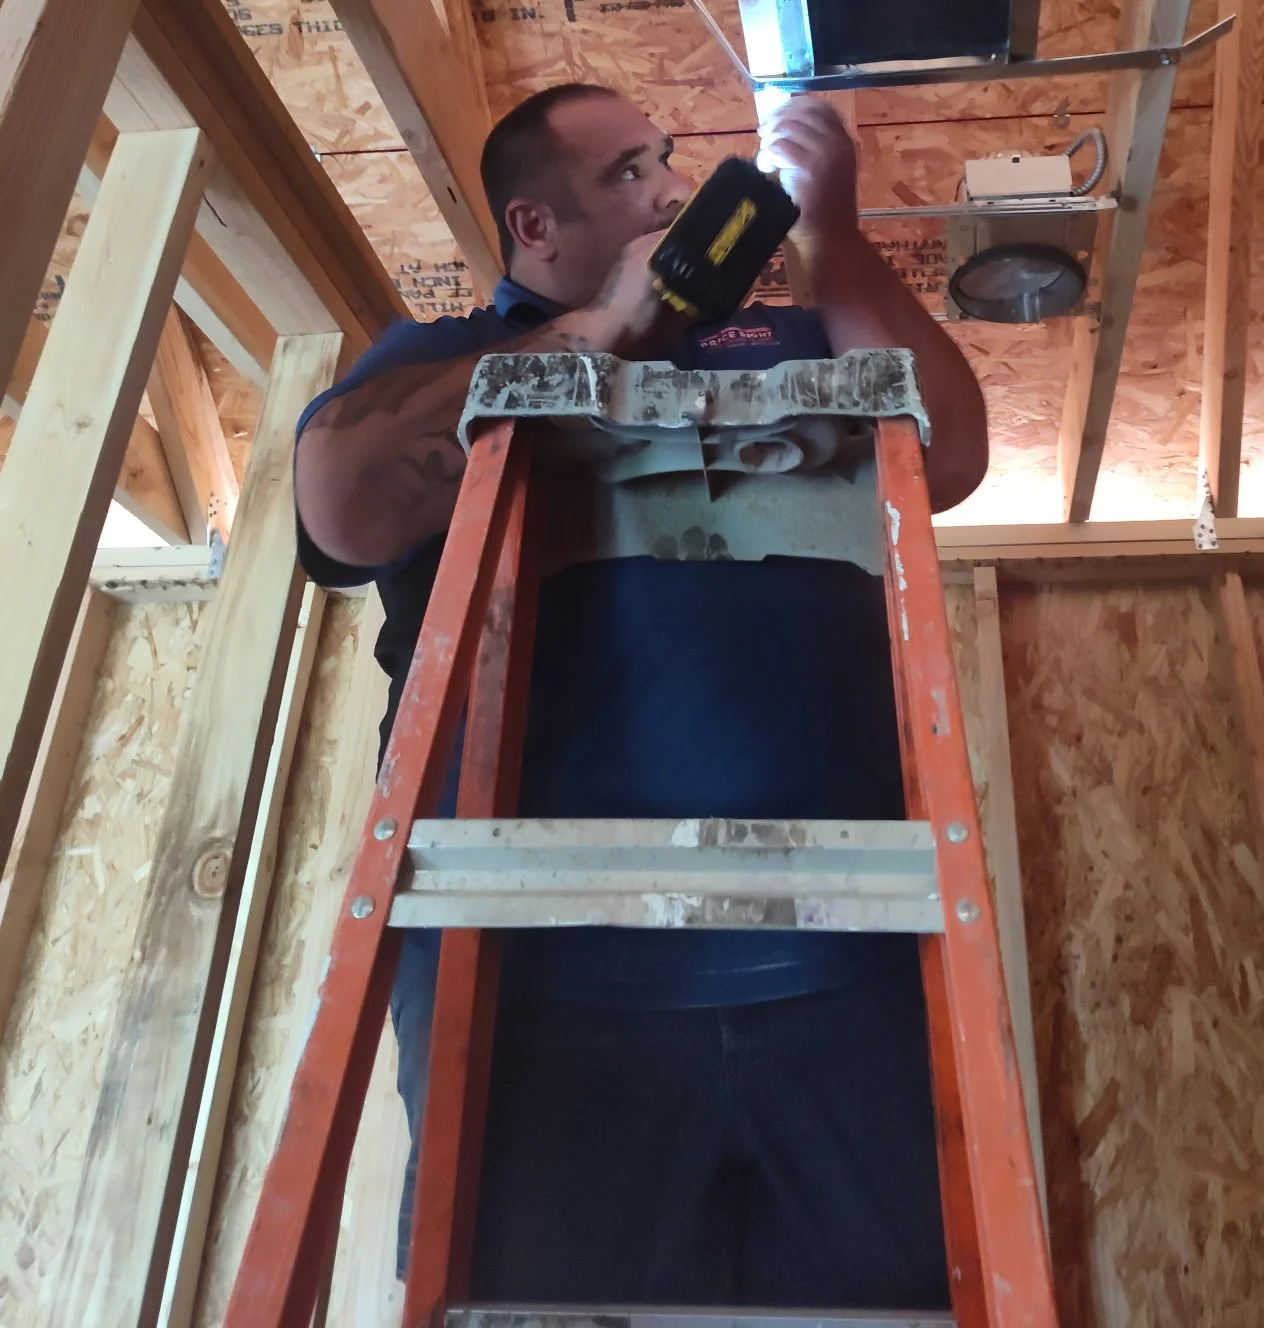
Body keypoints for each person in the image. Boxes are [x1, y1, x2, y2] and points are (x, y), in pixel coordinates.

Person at [293, 82, 990, 1307]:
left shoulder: (790, 340)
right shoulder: (446, 359)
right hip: (536, 981)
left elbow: (951, 451)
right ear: (535, 226)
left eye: (670, 161)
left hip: (847, 957)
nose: (674, 188)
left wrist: (831, 231)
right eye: (628, 172)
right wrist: (605, 329)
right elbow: (344, 505)